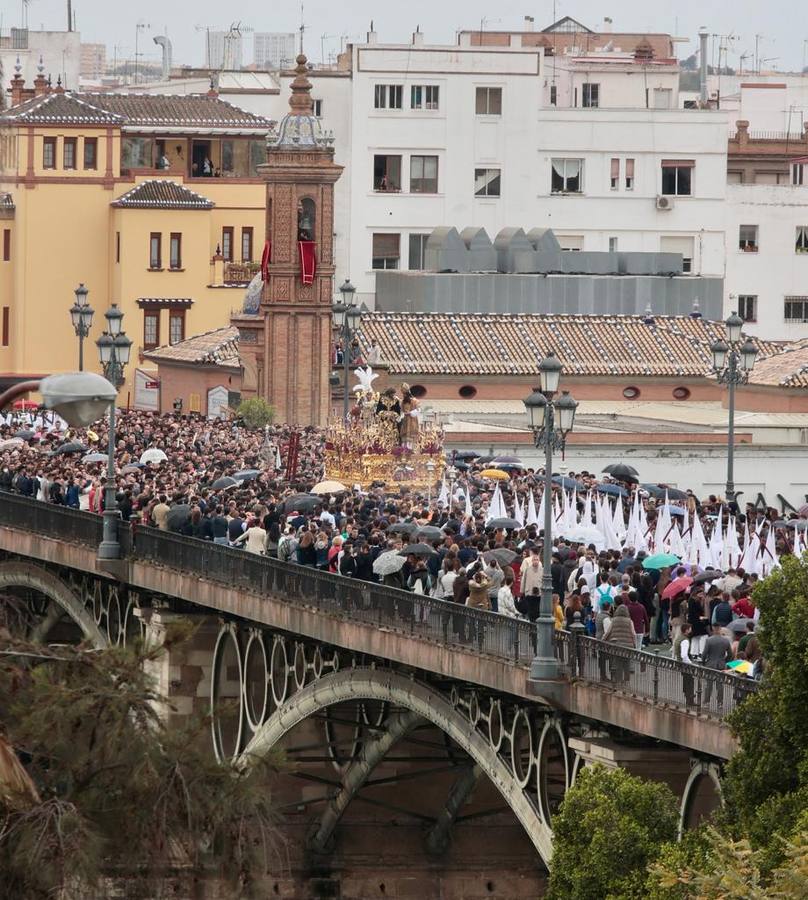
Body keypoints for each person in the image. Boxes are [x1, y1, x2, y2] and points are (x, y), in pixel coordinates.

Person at [604, 604, 636, 684]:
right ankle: (626, 680)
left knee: (618, 663)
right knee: (626, 663)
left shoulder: (613, 620)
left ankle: (619, 680)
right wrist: (634, 644)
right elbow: (633, 634)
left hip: (616, 645)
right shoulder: (629, 621)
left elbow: (608, 632)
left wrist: (603, 640)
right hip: (628, 646)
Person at [702, 630, 732, 708]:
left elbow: (704, 653)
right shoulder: (726, 641)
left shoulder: (709, 640)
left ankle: (706, 702)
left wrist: (703, 662)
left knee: (709, 685)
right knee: (720, 685)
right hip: (721, 665)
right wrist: (725, 661)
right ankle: (720, 703)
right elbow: (730, 654)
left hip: (710, 664)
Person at [399, 384, 420, 450]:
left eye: (404, 394)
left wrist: (410, 413)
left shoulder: (415, 401)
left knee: (411, 437)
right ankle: (403, 450)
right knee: (404, 438)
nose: (403, 396)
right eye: (403, 394)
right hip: (405, 421)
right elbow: (401, 411)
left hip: (412, 421)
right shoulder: (402, 401)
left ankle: (411, 450)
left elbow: (419, 410)